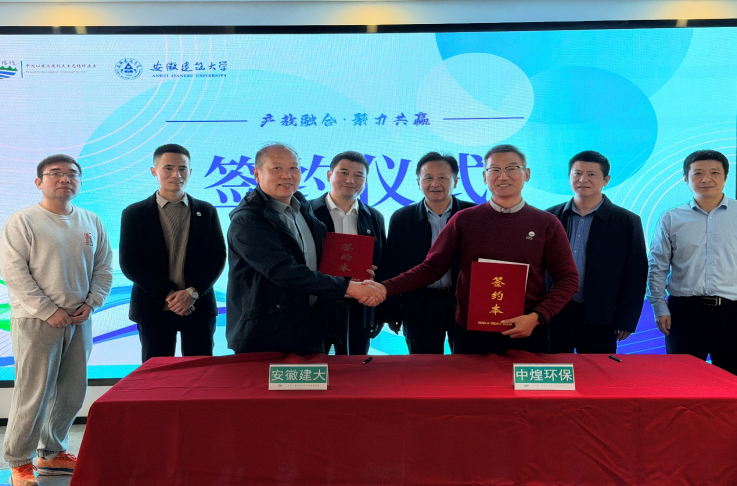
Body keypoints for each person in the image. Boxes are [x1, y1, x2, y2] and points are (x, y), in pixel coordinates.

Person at [376, 144, 578, 354]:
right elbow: (432, 268)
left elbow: (567, 279)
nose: (503, 176)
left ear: (526, 174)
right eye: (495, 169)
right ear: (484, 177)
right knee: (464, 376)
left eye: (511, 168)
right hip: (472, 333)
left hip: (526, 331)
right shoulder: (464, 220)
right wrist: (384, 288)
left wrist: (537, 316)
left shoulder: (547, 223)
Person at [0, 154, 113, 485]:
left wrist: (92, 303)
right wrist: (48, 310)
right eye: (55, 174)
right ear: (39, 182)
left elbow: (103, 268)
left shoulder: (91, 220)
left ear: (79, 182)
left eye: (72, 174)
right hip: (36, 320)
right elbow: (14, 272)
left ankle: (52, 453)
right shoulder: (23, 221)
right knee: (33, 393)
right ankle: (19, 461)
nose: (65, 179)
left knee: (72, 391)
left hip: (79, 319)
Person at [226, 143, 383, 355]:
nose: (287, 175)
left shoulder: (302, 208)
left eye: (293, 168)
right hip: (266, 331)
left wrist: (352, 274)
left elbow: (319, 259)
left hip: (308, 327)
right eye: (277, 168)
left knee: (318, 377)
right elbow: (284, 271)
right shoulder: (248, 220)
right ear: (257, 174)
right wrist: (348, 286)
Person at [119, 144, 226, 362]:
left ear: (190, 172)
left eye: (182, 169)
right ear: (154, 171)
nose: (176, 174)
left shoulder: (206, 211)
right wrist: (170, 296)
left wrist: (192, 293)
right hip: (153, 308)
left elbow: (217, 258)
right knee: (157, 373)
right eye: (168, 168)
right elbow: (130, 263)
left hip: (198, 307)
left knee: (200, 371)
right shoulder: (135, 213)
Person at [546, 151, 647, 354]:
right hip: (555, 314)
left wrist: (627, 319)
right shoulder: (550, 217)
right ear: (569, 177)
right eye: (577, 173)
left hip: (601, 317)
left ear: (606, 180)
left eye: (591, 174)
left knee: (597, 372)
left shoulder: (626, 221)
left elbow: (636, 274)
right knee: (554, 370)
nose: (583, 179)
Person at [647, 149, 737, 375]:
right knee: (683, 380)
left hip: (732, 312)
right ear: (686, 179)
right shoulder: (671, 218)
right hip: (685, 313)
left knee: (732, 382)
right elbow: (658, 266)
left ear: (725, 177)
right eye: (697, 173)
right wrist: (659, 306)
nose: (706, 179)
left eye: (714, 172)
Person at [383, 152, 475, 354]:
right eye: (428, 178)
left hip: (464, 304)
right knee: (424, 365)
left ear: (455, 181)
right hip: (419, 305)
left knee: (468, 364)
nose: (435, 183)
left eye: (442, 177)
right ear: (418, 182)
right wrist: (391, 310)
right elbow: (392, 264)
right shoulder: (402, 218)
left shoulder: (473, 215)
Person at [309, 151, 386, 355]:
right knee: (315, 367)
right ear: (329, 175)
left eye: (358, 175)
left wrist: (379, 312)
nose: (350, 180)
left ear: (366, 181)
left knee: (355, 368)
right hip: (316, 307)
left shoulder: (374, 217)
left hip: (359, 309)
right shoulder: (307, 212)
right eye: (343, 173)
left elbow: (383, 264)